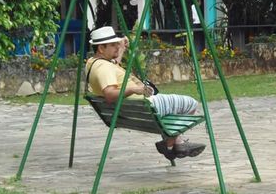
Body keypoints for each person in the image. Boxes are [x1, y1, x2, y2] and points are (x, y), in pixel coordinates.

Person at [86, 26, 206, 161]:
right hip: (147, 104)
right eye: (113, 45)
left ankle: (176, 143)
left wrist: (121, 49)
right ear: (101, 48)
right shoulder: (104, 68)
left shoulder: (94, 63)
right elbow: (109, 94)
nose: (117, 47)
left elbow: (113, 68)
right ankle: (171, 142)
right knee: (190, 103)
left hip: (132, 110)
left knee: (175, 106)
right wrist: (134, 89)